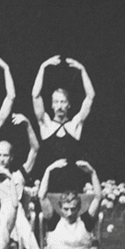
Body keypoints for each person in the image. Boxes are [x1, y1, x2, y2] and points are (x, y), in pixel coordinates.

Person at [31, 159, 125, 249]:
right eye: (66, 209)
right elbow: (41, 196)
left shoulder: (86, 220)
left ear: (79, 208)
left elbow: (98, 197)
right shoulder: (55, 220)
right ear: (60, 208)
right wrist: (48, 170)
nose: (69, 213)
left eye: (73, 209)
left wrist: (92, 173)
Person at [31, 55, 96, 213]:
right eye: (56, 102)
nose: (59, 106)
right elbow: (35, 96)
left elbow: (90, 97)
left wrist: (82, 70)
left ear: (68, 105)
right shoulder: (45, 124)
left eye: (62, 102)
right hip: (49, 184)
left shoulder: (74, 125)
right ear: (51, 105)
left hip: (72, 185)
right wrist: (42, 67)